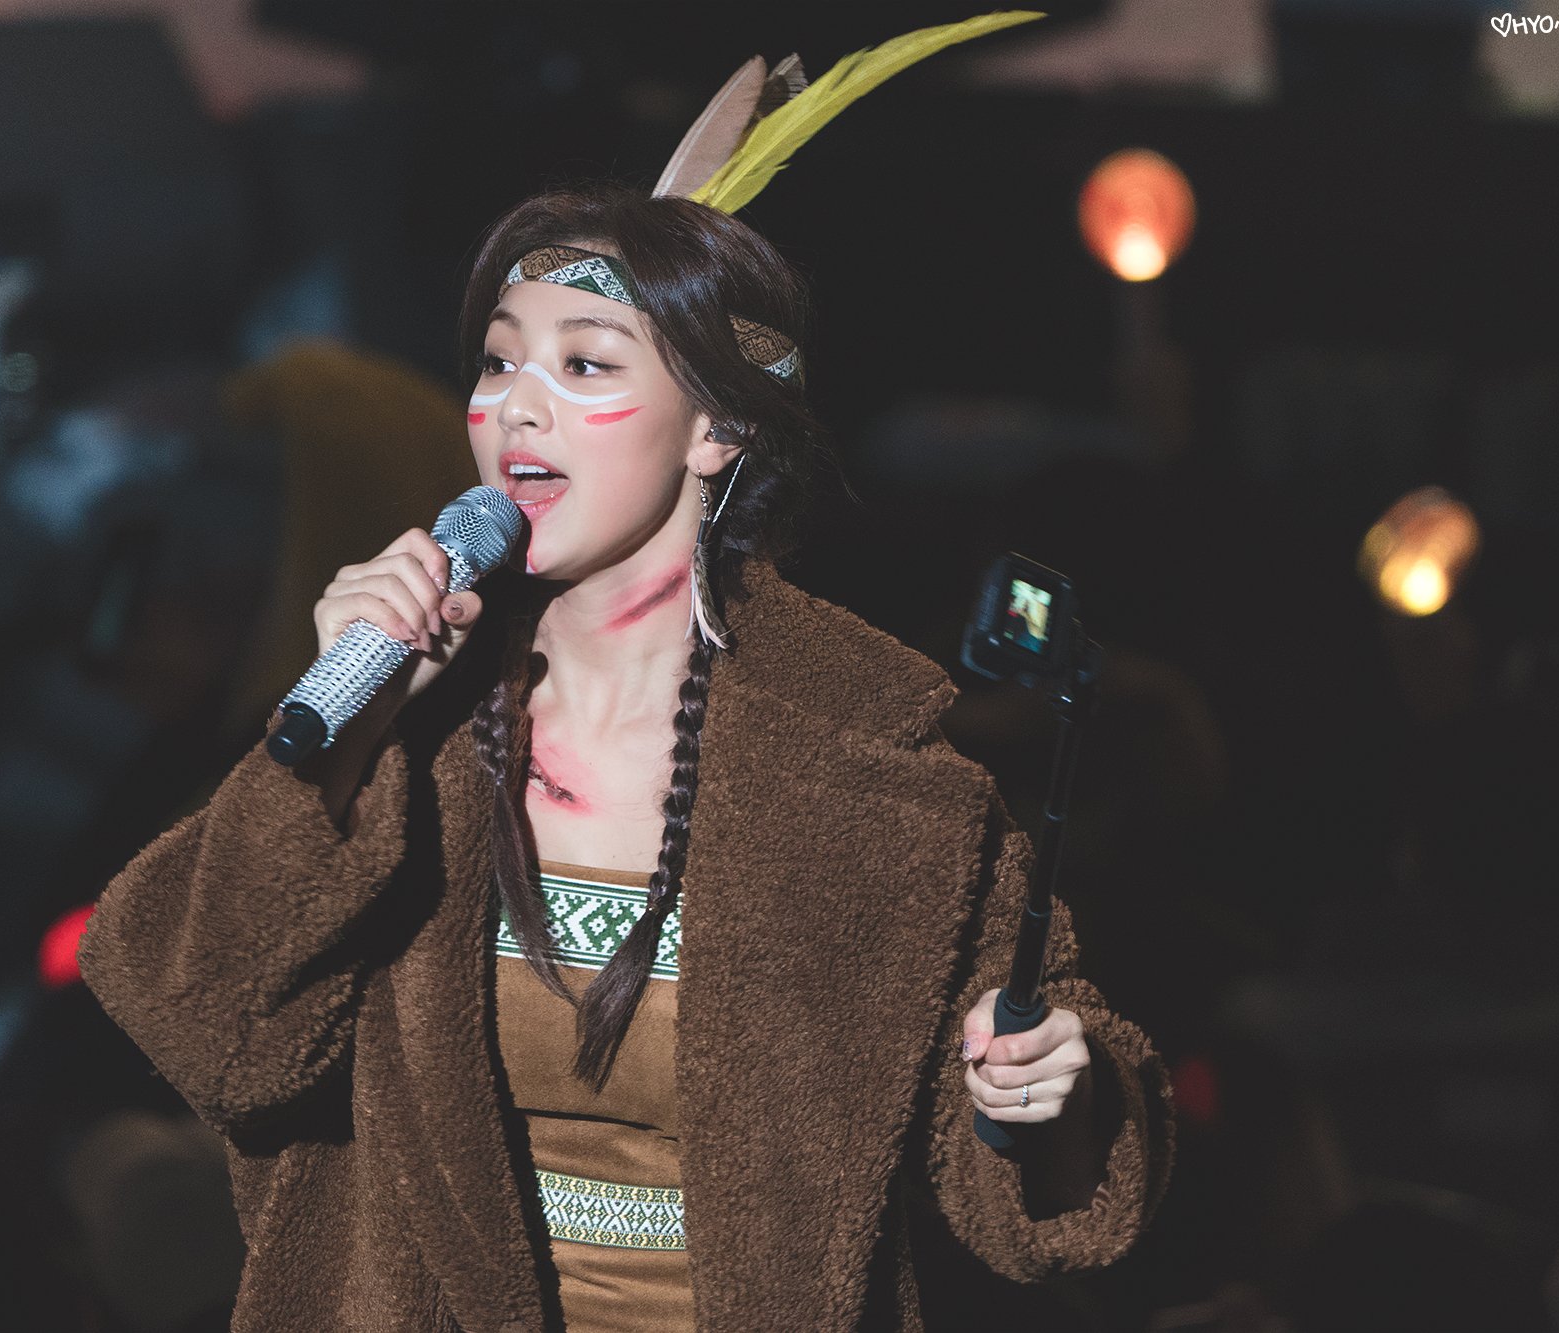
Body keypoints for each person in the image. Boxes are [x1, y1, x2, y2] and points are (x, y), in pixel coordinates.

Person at [78, 18, 1173, 1331]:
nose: (516, 405)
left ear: (719, 427)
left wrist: (1045, 1094)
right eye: (499, 359)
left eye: (584, 364)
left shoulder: (880, 774)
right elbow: (205, 1026)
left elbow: (1026, 1191)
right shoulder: (413, 730)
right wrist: (338, 749)